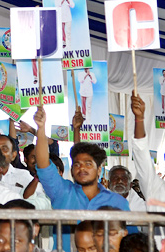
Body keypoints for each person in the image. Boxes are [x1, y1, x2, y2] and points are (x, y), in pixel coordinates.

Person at [32, 106, 129, 248]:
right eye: (77, 165)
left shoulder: (117, 202)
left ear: (99, 170)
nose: (81, 168)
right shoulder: (62, 192)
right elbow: (43, 165)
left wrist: (77, 130)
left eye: (88, 164)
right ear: (71, 170)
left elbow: (127, 242)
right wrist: (41, 128)